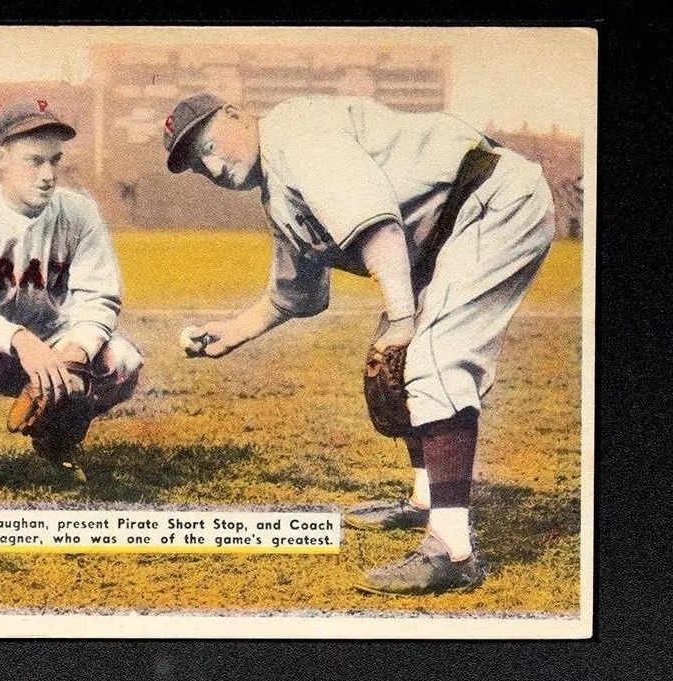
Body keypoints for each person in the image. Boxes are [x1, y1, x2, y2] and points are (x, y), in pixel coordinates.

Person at [163, 92, 555, 594]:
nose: (212, 165)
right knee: (403, 366)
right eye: (199, 164)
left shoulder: (297, 134)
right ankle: (425, 500)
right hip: (452, 226)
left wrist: (401, 318)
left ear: (236, 115)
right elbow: (296, 295)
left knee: (428, 360)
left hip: (490, 200)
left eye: (210, 145)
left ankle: (452, 550)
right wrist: (231, 333)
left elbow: (376, 222)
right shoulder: (279, 191)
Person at [0, 99, 143, 483]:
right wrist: (20, 340)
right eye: (34, 161)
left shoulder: (80, 213)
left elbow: (98, 296)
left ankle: (57, 431)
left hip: (53, 344)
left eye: (55, 160)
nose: (48, 174)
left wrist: (75, 353)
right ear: (0, 157)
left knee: (123, 361)